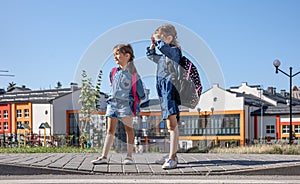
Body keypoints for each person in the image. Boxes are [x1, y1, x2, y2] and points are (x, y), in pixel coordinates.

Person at [91, 44, 145, 165]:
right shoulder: (113, 71)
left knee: (129, 130)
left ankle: (129, 156)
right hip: (112, 104)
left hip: (126, 105)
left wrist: (134, 103)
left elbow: (141, 93)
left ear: (127, 56)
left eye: (117, 54)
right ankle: (104, 156)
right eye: (114, 54)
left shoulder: (133, 74)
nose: (115, 56)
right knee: (110, 130)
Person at [146, 24, 181, 169]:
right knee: (169, 124)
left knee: (172, 124)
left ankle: (173, 158)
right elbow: (151, 55)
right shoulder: (162, 56)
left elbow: (164, 49)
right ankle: (172, 154)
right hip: (162, 91)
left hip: (170, 90)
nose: (158, 40)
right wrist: (152, 45)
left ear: (169, 38)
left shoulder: (174, 51)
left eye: (161, 37)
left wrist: (159, 42)